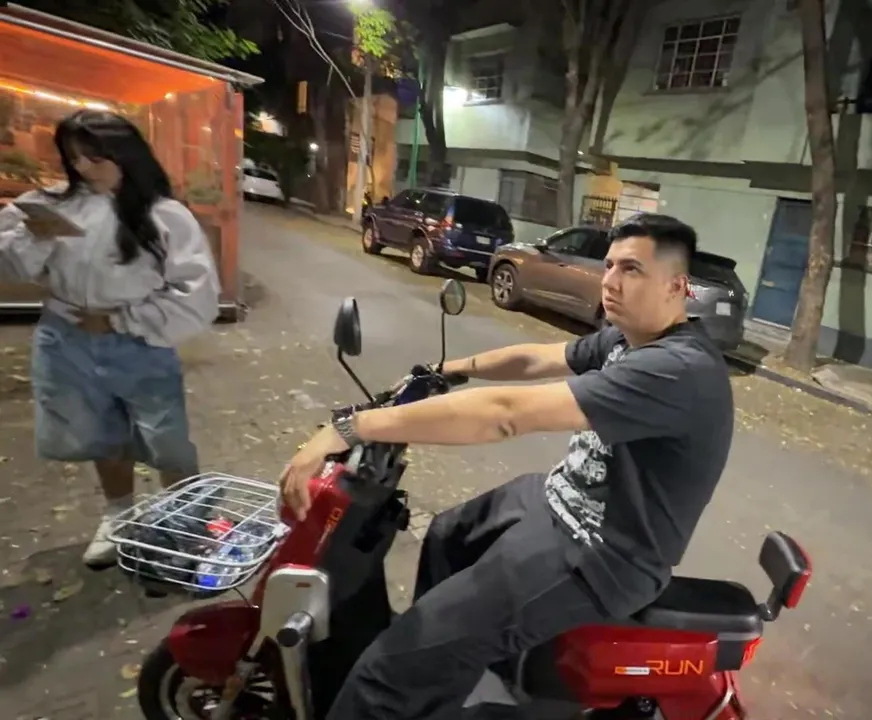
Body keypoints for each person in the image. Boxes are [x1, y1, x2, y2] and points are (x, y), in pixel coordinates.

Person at [279, 213, 735, 718]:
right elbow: (538, 358)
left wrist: (354, 427)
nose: (610, 281)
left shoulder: (677, 369)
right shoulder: (629, 339)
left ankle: (414, 672)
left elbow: (506, 416)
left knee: (385, 674)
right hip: (559, 501)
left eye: (631, 269)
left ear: (676, 286)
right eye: (609, 265)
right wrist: (451, 369)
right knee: (447, 536)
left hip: (600, 554)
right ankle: (441, 674)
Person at [0, 110, 221, 567]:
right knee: (101, 435)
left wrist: (122, 320)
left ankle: (187, 523)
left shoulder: (165, 216)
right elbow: (11, 267)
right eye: (74, 157)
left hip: (142, 344)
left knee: (167, 440)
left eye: (95, 158)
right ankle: (120, 513)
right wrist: (34, 235)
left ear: (125, 155)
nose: (83, 168)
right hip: (66, 339)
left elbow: (196, 295)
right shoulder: (50, 204)